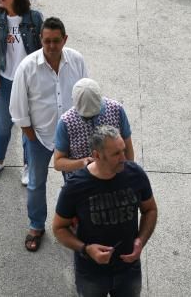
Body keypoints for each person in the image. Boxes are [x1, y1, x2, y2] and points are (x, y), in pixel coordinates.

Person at [9, 16, 88, 252]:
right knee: (35, 184)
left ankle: (72, 221)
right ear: (41, 40)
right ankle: (36, 225)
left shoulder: (77, 61)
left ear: (65, 39)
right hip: (39, 137)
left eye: (56, 41)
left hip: (71, 137)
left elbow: (85, 97)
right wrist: (31, 137)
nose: (51, 46)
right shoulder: (27, 67)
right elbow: (18, 109)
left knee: (75, 183)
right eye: (47, 42)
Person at [52, 125, 158, 297]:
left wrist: (141, 240)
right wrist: (86, 249)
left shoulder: (135, 174)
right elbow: (59, 228)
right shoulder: (76, 186)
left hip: (129, 270)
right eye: (116, 154)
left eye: (123, 150)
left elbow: (150, 209)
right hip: (91, 274)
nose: (123, 158)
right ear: (97, 155)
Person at [0, 0, 43, 184]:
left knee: (27, 125)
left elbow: (42, 51)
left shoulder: (34, 18)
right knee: (3, 126)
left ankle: (27, 166)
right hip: (6, 81)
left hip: (28, 83)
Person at [54, 78, 134, 179]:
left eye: (95, 114)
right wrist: (82, 163)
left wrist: (129, 174)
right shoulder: (66, 122)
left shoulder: (116, 110)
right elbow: (58, 163)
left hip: (115, 176)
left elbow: (128, 147)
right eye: (85, 117)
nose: (90, 118)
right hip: (81, 180)